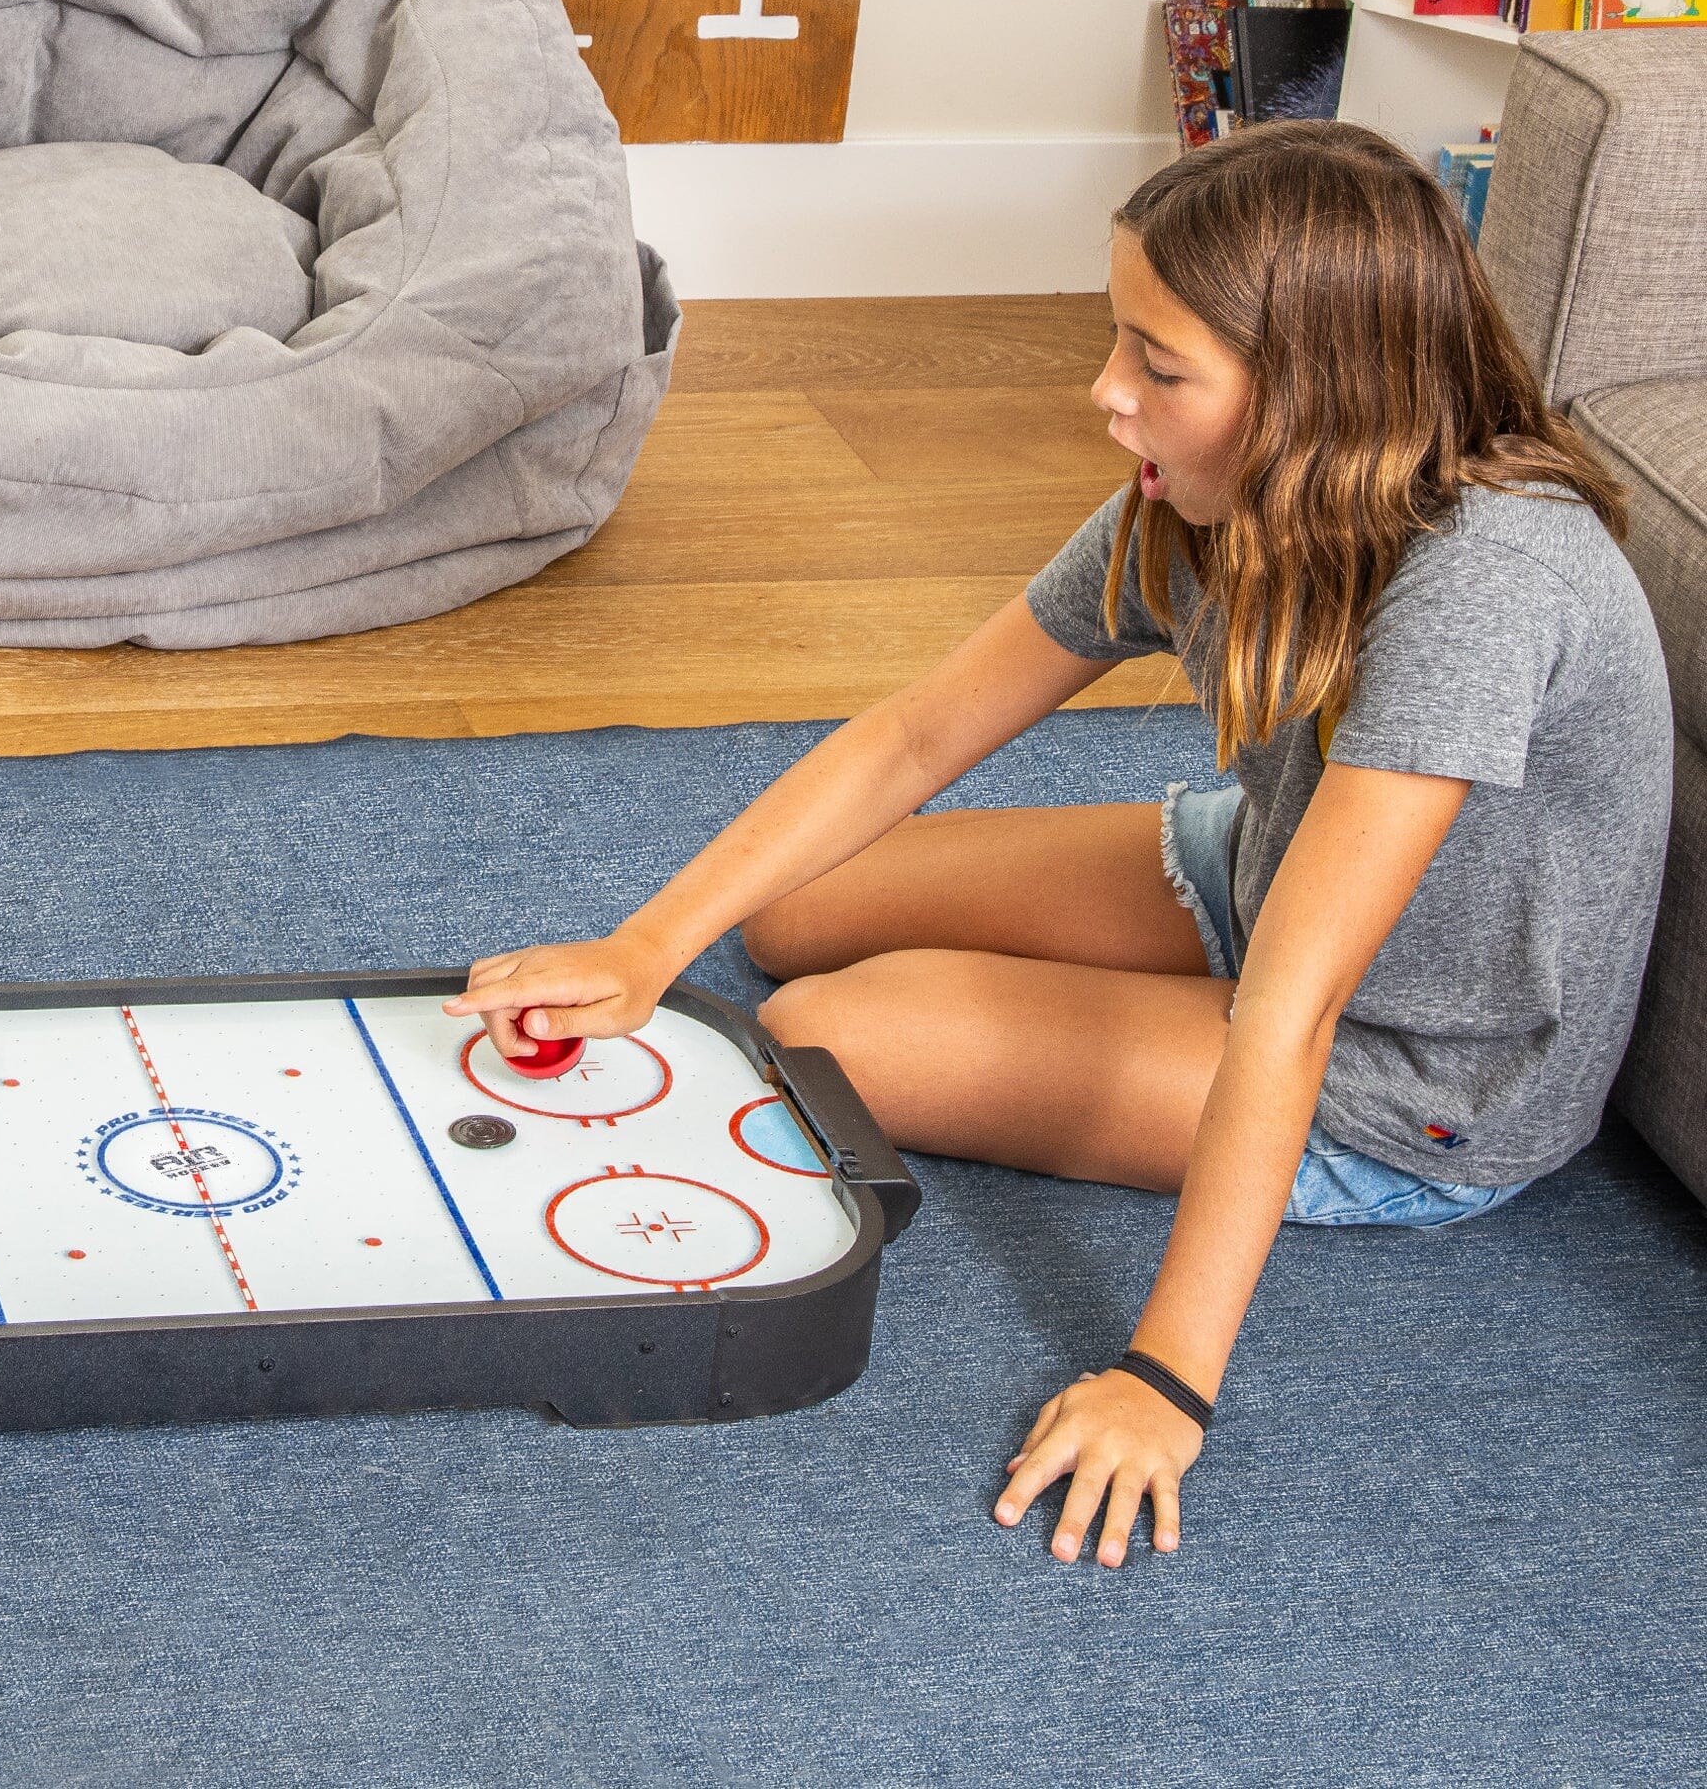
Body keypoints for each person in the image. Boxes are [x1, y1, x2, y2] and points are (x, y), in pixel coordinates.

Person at [448, 120, 1671, 1566]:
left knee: (825, 1031)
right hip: (1264, 867)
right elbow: (917, 736)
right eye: (1119, 342)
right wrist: (643, 946)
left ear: (1317, 396)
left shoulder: (1487, 586)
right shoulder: (1200, 501)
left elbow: (1291, 1010)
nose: (1106, 394)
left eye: (1160, 369)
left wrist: (1165, 1385)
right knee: (793, 911)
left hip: (1411, 1068)